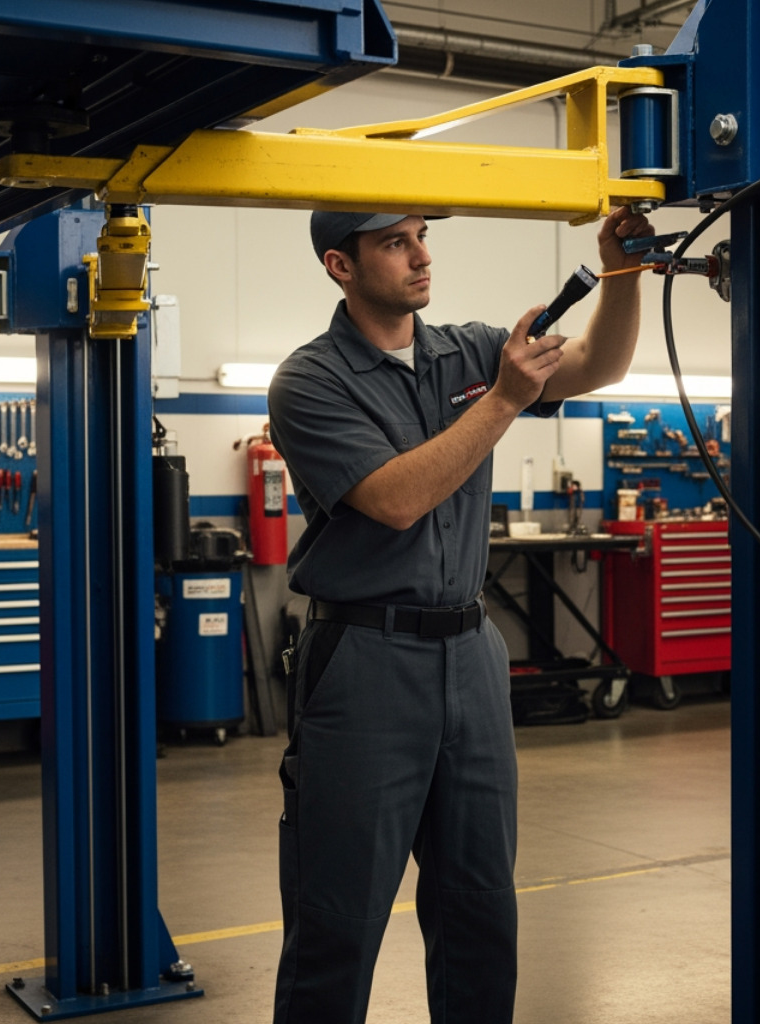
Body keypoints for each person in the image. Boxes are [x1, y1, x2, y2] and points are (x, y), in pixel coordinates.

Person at [265, 205, 653, 1024]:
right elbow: (398, 499)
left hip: (471, 656)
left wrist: (620, 273)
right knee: (338, 920)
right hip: (366, 661)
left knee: (481, 908)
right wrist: (506, 399)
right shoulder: (309, 381)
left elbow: (600, 365)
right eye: (395, 243)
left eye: (422, 236)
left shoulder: (469, 350)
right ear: (341, 265)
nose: (420, 256)